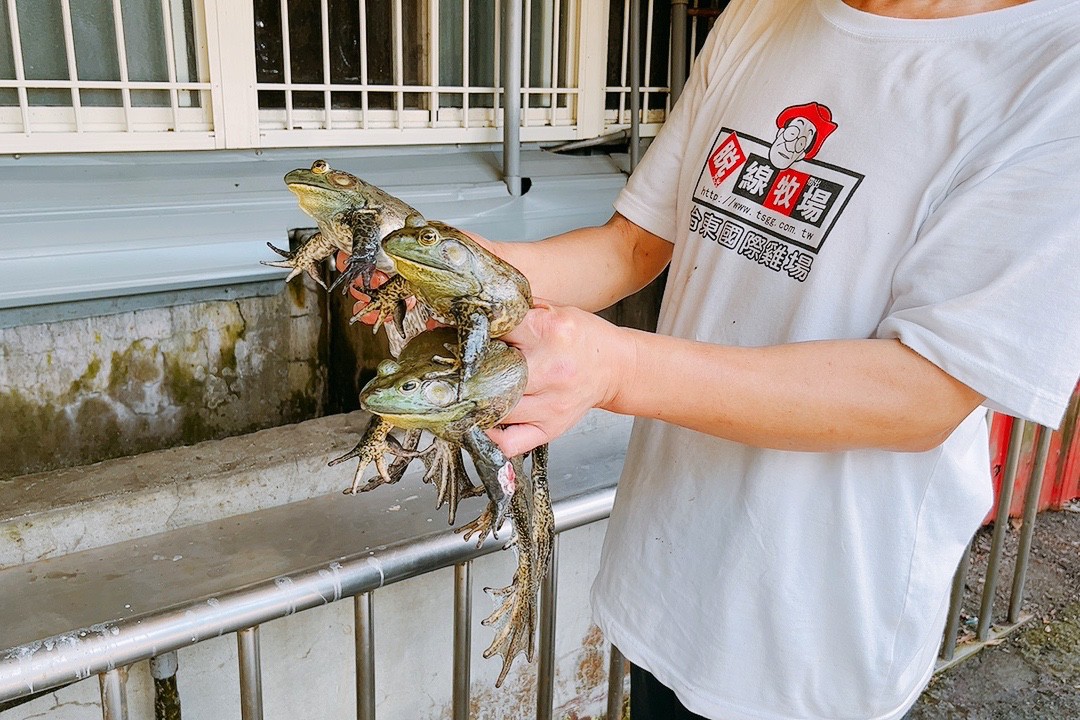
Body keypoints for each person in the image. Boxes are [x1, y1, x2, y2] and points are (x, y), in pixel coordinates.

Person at [356, 1, 1080, 717]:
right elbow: (630, 247)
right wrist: (456, 264)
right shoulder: (763, 13)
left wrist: (615, 367)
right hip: (667, 576)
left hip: (811, 637)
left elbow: (926, 391)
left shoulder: (1055, 71)